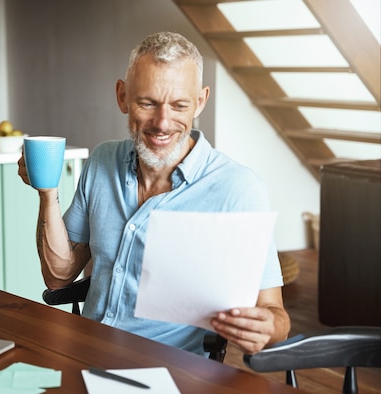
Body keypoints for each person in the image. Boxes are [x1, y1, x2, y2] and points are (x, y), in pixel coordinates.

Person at [17, 31, 290, 356]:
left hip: (168, 371)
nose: (163, 122)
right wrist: (47, 193)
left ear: (200, 101)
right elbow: (59, 278)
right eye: (148, 103)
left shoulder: (239, 190)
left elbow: (277, 317)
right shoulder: (102, 161)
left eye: (179, 105)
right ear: (122, 96)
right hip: (84, 351)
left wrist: (265, 329)